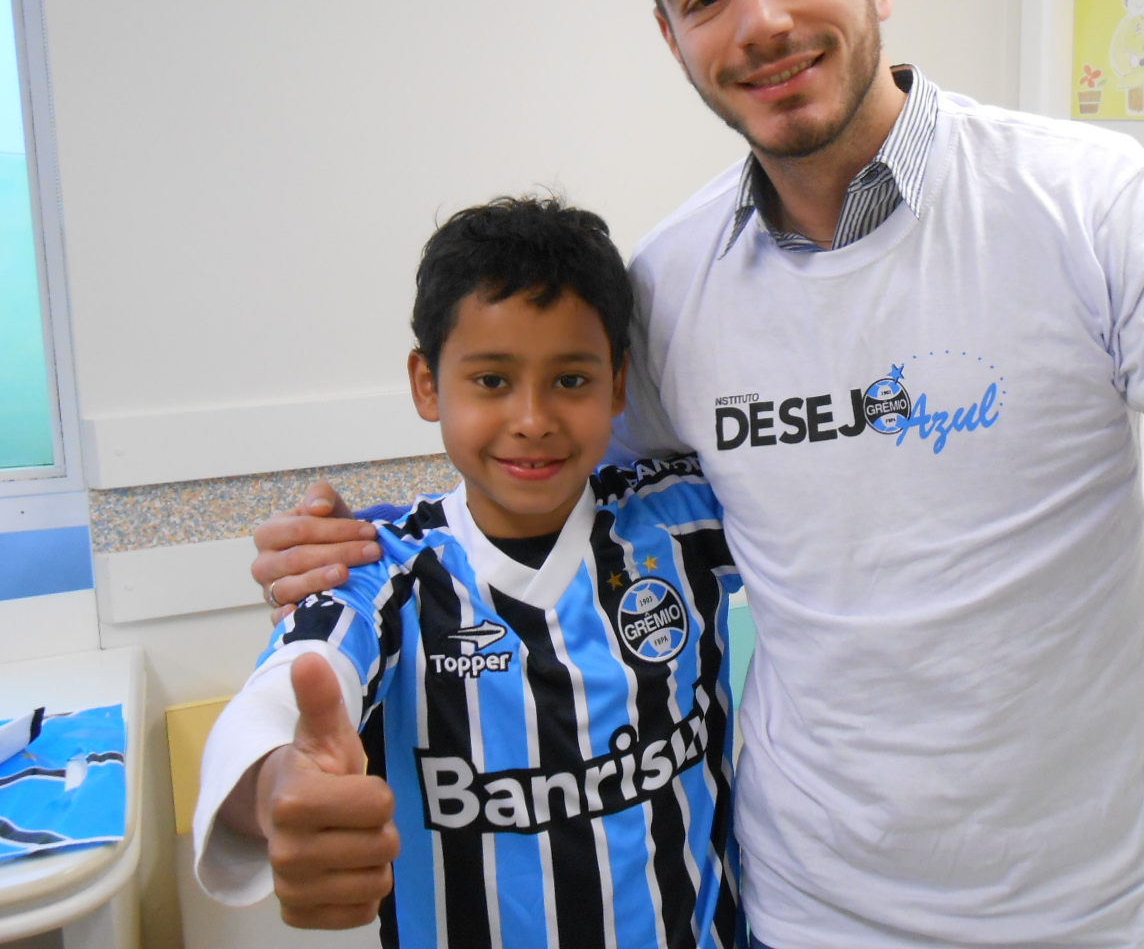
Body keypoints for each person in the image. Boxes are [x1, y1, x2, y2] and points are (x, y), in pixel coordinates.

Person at [249, 0, 1144, 949]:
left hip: (1095, 909)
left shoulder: (1082, 197)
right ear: (670, 35)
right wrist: (360, 547)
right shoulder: (668, 291)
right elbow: (543, 481)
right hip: (803, 906)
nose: (759, 22)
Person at [193, 197, 744, 947]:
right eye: (491, 381)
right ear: (428, 384)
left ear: (618, 384)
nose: (532, 418)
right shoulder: (381, 567)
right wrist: (268, 788)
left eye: (571, 381)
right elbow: (292, 678)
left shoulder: (685, 521)